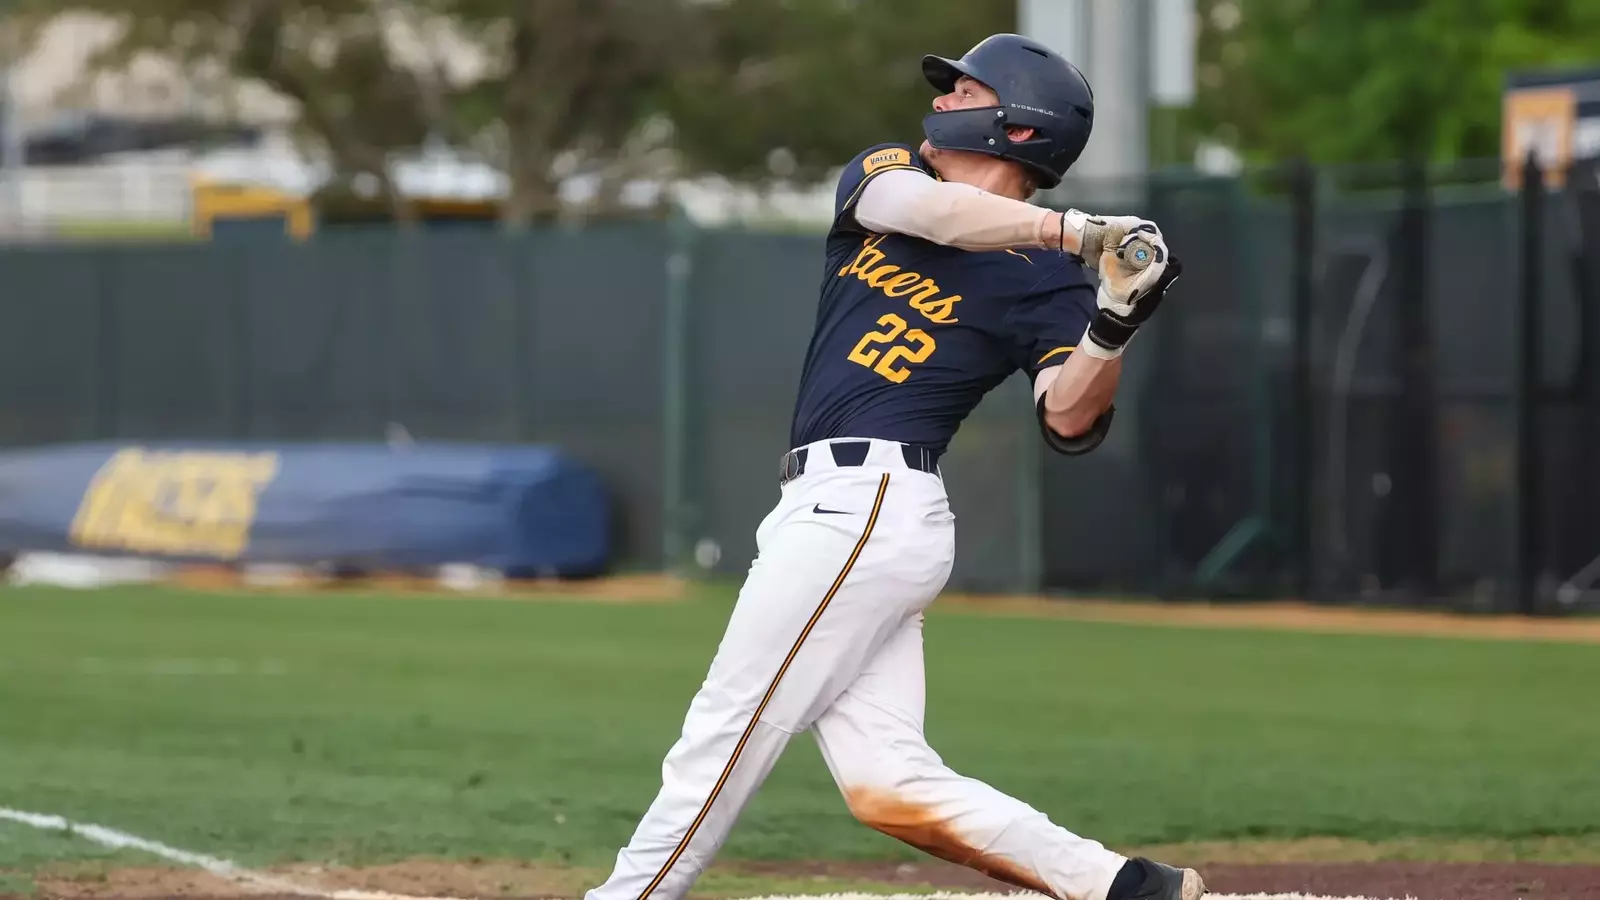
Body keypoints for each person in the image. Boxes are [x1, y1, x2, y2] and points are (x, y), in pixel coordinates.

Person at [585, 33, 1201, 900]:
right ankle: (1125, 888)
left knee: (726, 727)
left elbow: (1069, 417)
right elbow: (937, 216)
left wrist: (1113, 323)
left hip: (872, 500)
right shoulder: (892, 177)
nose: (944, 98)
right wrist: (1076, 231)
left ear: (1021, 129)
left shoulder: (1050, 282)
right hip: (834, 508)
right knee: (889, 783)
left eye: (967, 90)